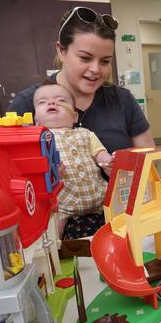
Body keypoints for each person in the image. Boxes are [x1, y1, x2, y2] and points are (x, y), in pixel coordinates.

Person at [11, 6, 155, 238]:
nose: (96, 70)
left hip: (116, 221)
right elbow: (7, 175)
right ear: (61, 50)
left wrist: (121, 165)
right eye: (85, 58)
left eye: (105, 61)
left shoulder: (122, 100)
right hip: (52, 224)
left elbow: (149, 160)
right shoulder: (29, 104)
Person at [33, 81, 112, 237]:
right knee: (53, 233)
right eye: (42, 102)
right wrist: (50, 172)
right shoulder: (39, 140)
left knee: (116, 222)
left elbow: (99, 153)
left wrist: (107, 161)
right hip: (61, 205)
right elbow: (35, 170)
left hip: (99, 198)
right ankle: (56, 253)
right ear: (36, 120)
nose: (52, 102)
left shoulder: (86, 134)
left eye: (61, 100)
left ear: (75, 116)